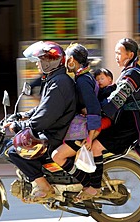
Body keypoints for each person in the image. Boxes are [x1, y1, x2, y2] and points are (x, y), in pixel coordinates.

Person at [89, 38, 140, 200]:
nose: (116, 57)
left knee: (95, 147)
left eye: (119, 53)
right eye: (115, 53)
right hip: (124, 122)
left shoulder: (133, 74)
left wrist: (97, 109)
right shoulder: (130, 71)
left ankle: (94, 187)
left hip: (130, 126)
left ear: (130, 54)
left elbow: (118, 98)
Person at [5, 41, 77, 203]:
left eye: (39, 61)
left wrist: (20, 126)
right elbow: (43, 109)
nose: (37, 64)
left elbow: (45, 117)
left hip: (55, 134)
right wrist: (22, 115)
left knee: (14, 151)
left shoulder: (59, 84)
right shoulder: (54, 80)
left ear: (48, 62)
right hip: (54, 129)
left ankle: (44, 186)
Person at [51, 43, 102, 200]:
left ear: (71, 60)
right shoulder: (83, 76)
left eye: (66, 58)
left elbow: (94, 109)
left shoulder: (82, 80)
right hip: (82, 127)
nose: (65, 61)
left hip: (83, 131)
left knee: (57, 156)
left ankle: (88, 185)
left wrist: (90, 136)